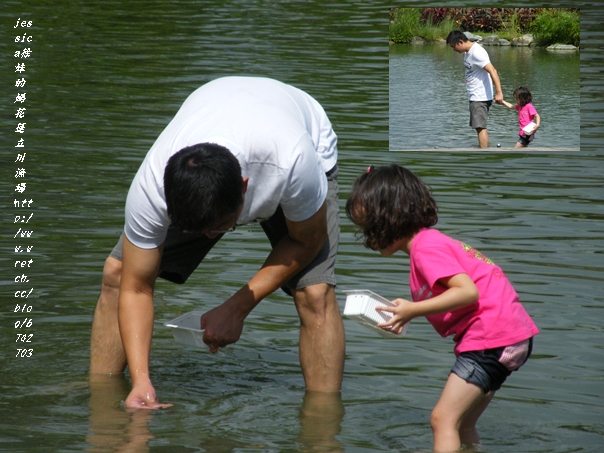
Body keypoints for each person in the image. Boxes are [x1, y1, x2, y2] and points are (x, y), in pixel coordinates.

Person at [90, 76, 345, 409]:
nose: (212, 238)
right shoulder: (150, 188)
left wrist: (236, 308)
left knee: (315, 293)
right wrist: (142, 381)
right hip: (220, 119)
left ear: (244, 189)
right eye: (201, 230)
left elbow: (306, 241)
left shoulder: (293, 161)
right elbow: (137, 288)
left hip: (301, 143)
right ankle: (104, 399)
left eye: (221, 227)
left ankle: (322, 429)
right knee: (118, 274)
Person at [345, 164, 539, 452]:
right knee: (462, 425)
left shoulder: (425, 248)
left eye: (369, 228)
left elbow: (467, 292)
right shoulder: (432, 243)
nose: (367, 239)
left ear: (391, 218)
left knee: (442, 420)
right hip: (512, 337)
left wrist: (412, 310)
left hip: (491, 338)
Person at [446, 30, 504, 148]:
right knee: (479, 127)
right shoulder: (469, 52)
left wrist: (499, 92)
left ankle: (484, 154)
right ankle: (484, 151)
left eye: (454, 47)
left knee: (480, 127)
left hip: (480, 96)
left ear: (460, 42)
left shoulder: (477, 52)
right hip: (475, 96)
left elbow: (493, 71)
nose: (454, 50)